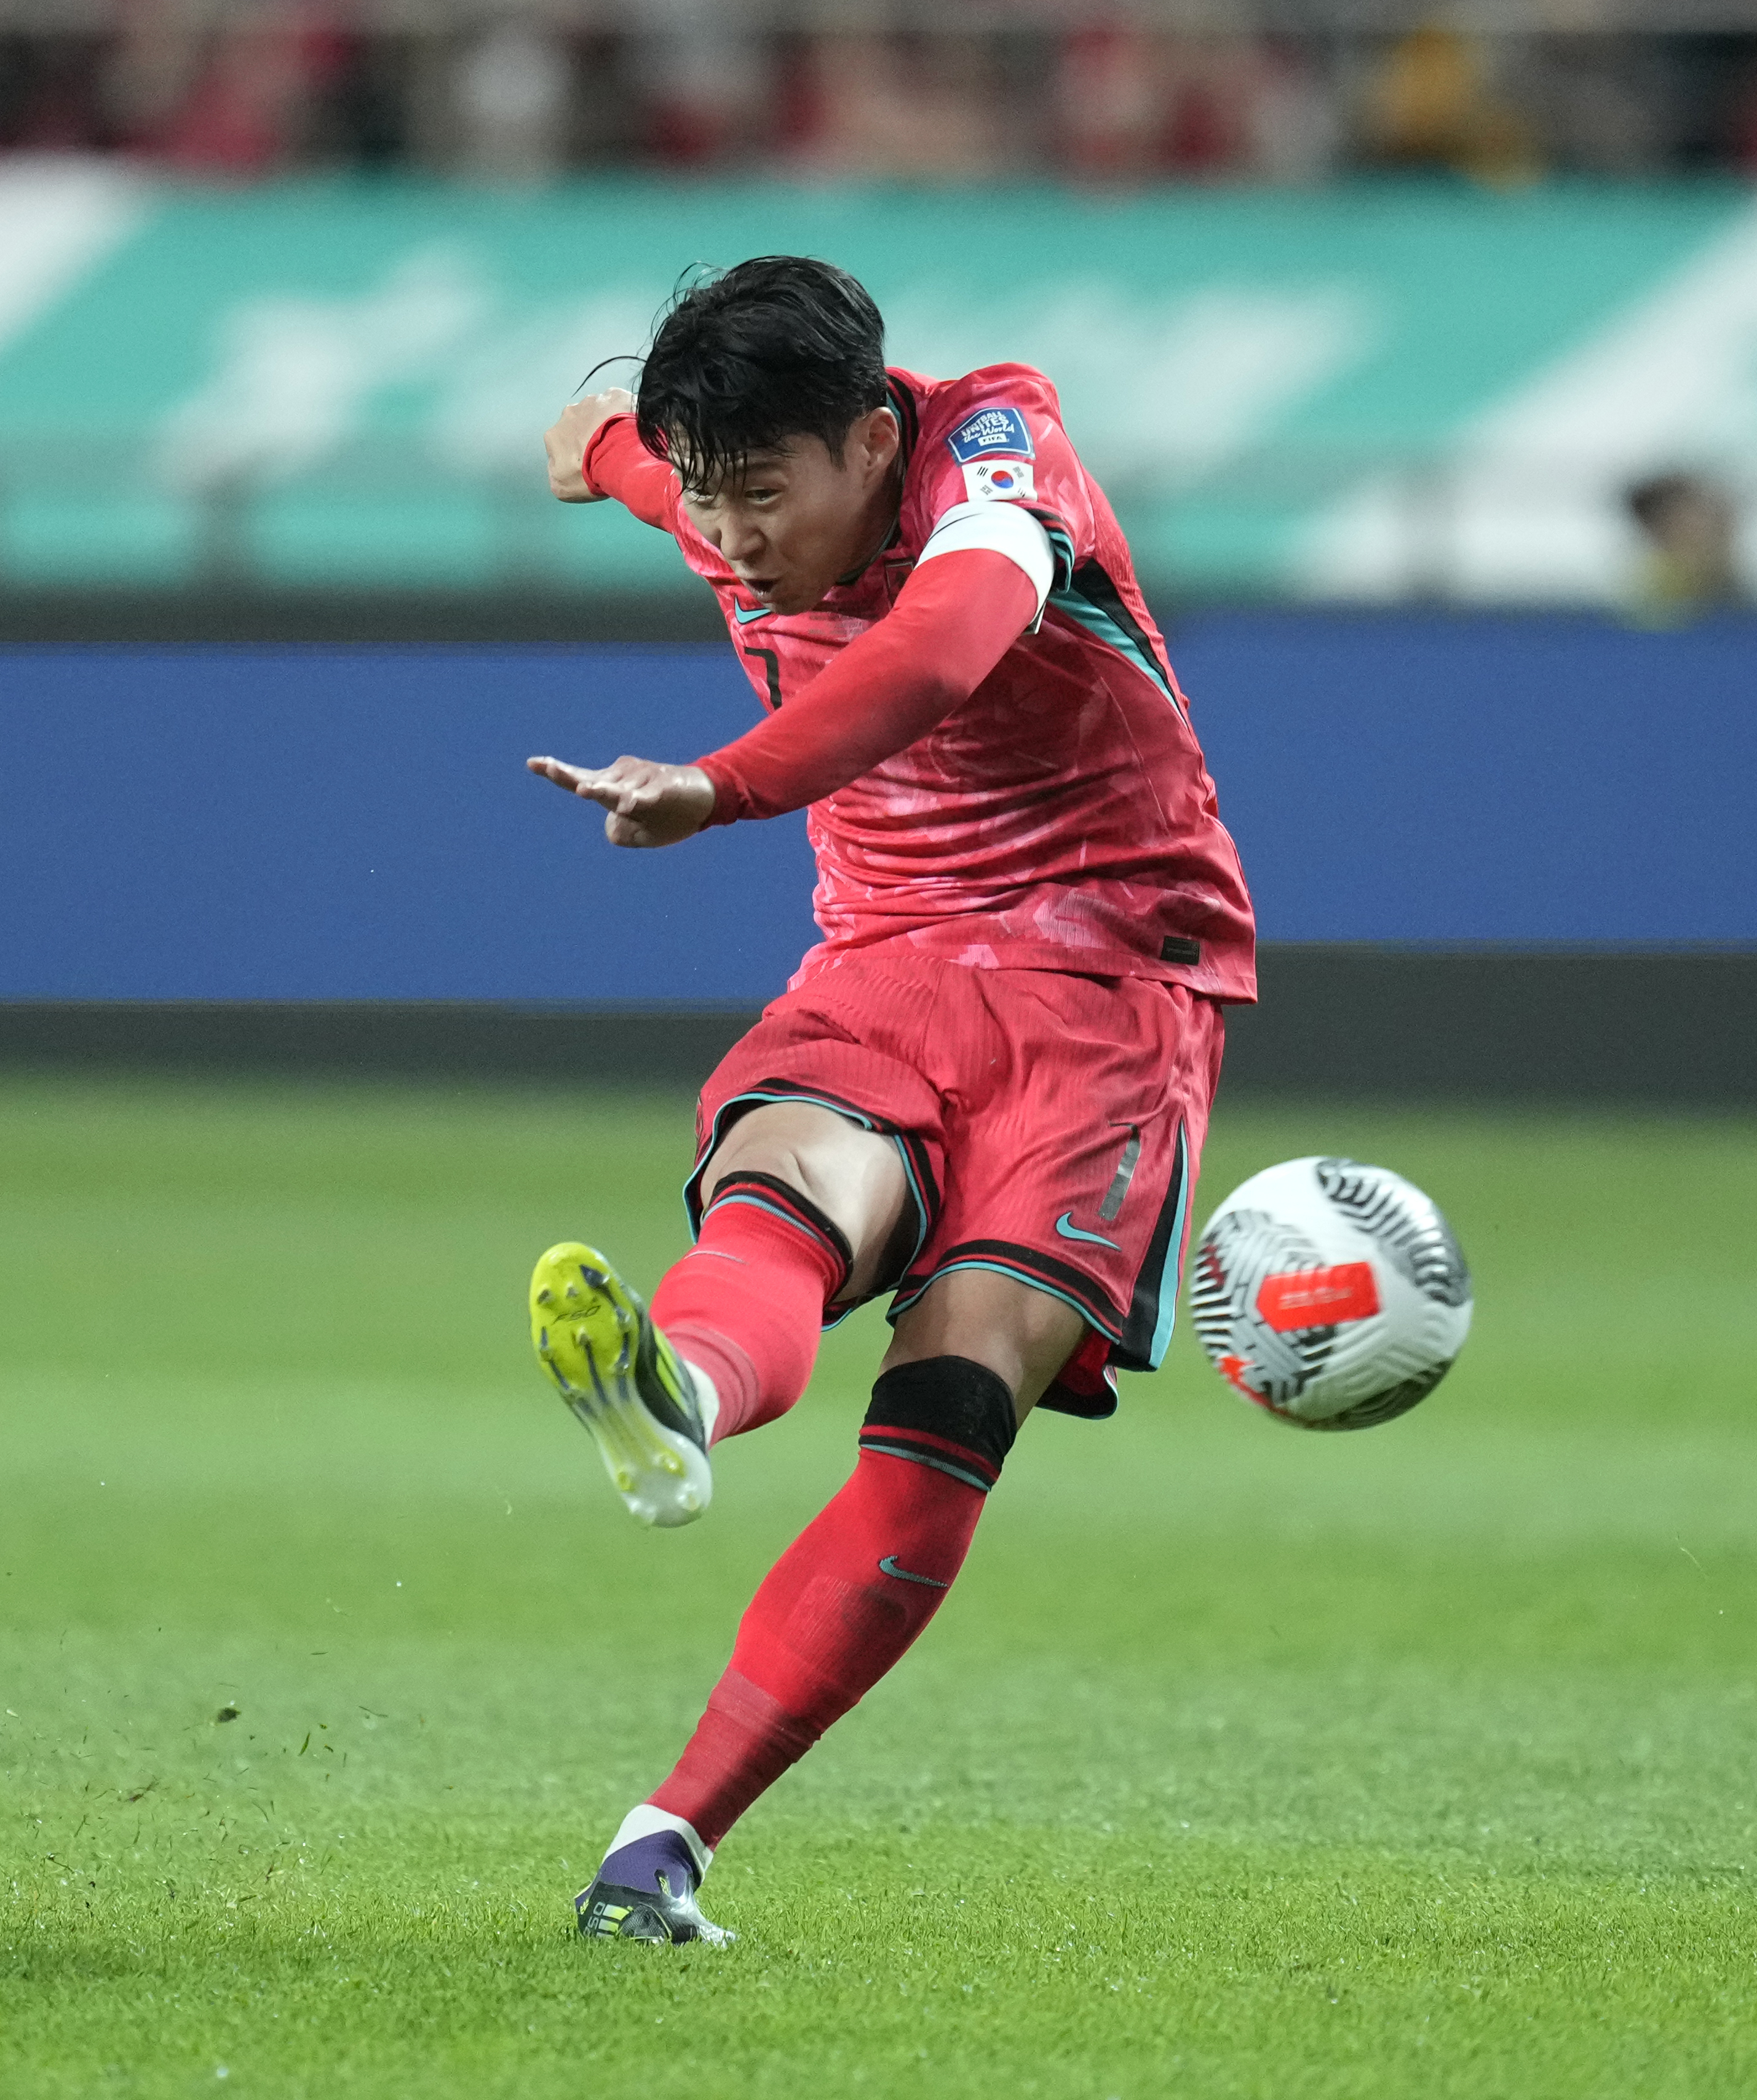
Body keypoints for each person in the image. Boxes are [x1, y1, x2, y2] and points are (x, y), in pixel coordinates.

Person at [524, 256, 1256, 1943]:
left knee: (954, 1391)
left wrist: (719, 788)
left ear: (871, 440)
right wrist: (600, 442)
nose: (731, 533)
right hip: (886, 960)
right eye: (700, 491)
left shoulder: (999, 460)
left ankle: (661, 1844)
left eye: (761, 491)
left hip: (1113, 980)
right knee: (787, 1192)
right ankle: (680, 1400)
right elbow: (603, 448)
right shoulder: (717, 486)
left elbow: (936, 652)